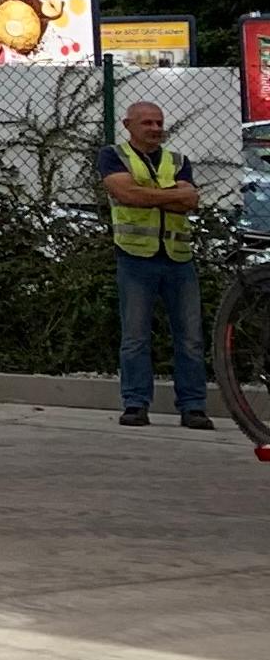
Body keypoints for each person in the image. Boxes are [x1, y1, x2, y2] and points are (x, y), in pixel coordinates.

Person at [96, 100, 212, 430]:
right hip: (135, 257)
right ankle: (135, 404)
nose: (156, 129)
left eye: (159, 122)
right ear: (128, 125)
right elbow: (126, 195)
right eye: (147, 123)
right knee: (135, 336)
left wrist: (147, 193)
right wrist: (169, 194)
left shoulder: (178, 160)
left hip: (178, 257)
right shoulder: (113, 156)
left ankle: (193, 407)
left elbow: (190, 200)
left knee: (190, 337)